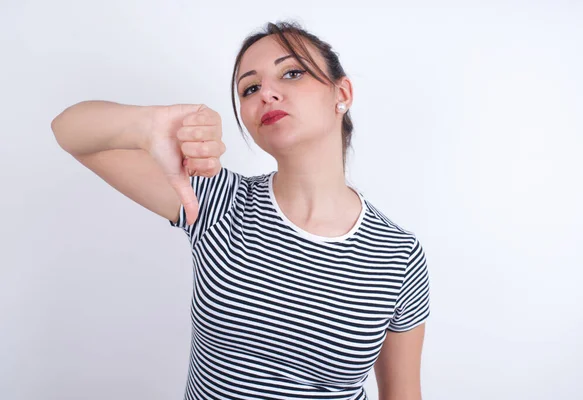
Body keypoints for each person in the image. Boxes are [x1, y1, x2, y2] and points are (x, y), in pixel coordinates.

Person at [52, 20, 431, 400]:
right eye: (250, 88)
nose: (266, 93)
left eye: (292, 73)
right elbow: (68, 130)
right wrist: (146, 125)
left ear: (342, 92)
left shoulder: (398, 254)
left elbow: (402, 395)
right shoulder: (217, 202)